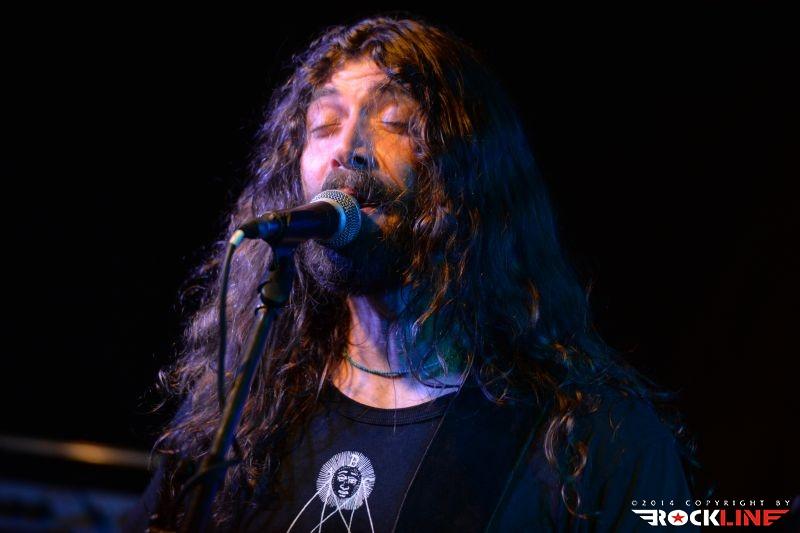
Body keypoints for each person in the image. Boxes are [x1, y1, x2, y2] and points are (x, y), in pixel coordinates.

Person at [121, 15, 698, 532]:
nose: (348, 148)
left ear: (466, 173)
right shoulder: (244, 411)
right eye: (323, 125)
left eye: (394, 121)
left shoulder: (592, 438)